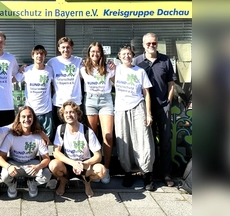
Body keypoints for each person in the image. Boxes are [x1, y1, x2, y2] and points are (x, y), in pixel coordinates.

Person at [133, 33, 177, 187]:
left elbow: (171, 83)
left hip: (162, 106)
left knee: (165, 141)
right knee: (147, 142)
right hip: (143, 109)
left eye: (154, 43)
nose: (151, 46)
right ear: (143, 44)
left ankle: (166, 173)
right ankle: (149, 173)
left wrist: (168, 103)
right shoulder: (137, 61)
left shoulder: (165, 60)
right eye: (148, 43)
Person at [114, 45, 155, 191]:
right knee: (124, 141)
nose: (126, 56)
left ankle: (147, 174)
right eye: (123, 54)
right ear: (119, 56)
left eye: (129, 54)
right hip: (120, 109)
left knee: (143, 140)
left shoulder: (140, 71)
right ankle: (128, 172)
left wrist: (148, 113)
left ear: (133, 55)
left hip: (138, 107)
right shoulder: (115, 70)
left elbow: (146, 93)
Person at [48, 101, 106, 198]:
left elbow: (98, 156)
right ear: (63, 115)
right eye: (66, 113)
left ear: (77, 114)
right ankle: (63, 181)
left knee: (102, 171)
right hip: (68, 164)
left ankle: (87, 181)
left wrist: (83, 164)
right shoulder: (60, 129)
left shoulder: (87, 131)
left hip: (84, 164)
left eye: (72, 112)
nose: (69, 115)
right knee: (53, 165)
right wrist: (73, 163)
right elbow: (56, 152)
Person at [80, 42, 115, 184]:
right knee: (92, 136)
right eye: (92, 52)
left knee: (108, 136)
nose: (95, 54)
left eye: (98, 51)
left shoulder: (109, 67)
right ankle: (94, 167)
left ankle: (106, 169)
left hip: (106, 100)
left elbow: (118, 80)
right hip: (90, 100)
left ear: (102, 53)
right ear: (89, 53)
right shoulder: (83, 68)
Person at [0, 106, 52, 198]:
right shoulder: (11, 136)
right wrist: (9, 167)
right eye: (23, 116)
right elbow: (0, 158)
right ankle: (12, 184)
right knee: (5, 175)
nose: (26, 119)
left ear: (33, 118)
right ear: (19, 118)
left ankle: (32, 183)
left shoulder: (38, 136)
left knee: (47, 174)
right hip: (15, 164)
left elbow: (47, 159)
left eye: (29, 116)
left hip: (31, 165)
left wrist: (38, 166)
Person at [14, 45, 54, 140]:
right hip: (31, 113)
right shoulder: (26, 70)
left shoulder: (50, 70)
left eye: (42, 54)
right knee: (32, 139)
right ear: (32, 56)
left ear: (45, 56)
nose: (39, 56)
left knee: (47, 140)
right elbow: (11, 80)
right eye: (37, 54)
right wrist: (18, 70)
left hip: (46, 111)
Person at [47, 37, 83, 128]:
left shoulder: (79, 61)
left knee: (76, 131)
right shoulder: (52, 62)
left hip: (75, 103)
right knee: (60, 131)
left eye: (68, 47)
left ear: (72, 48)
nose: (65, 50)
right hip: (59, 103)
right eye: (63, 47)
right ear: (59, 48)